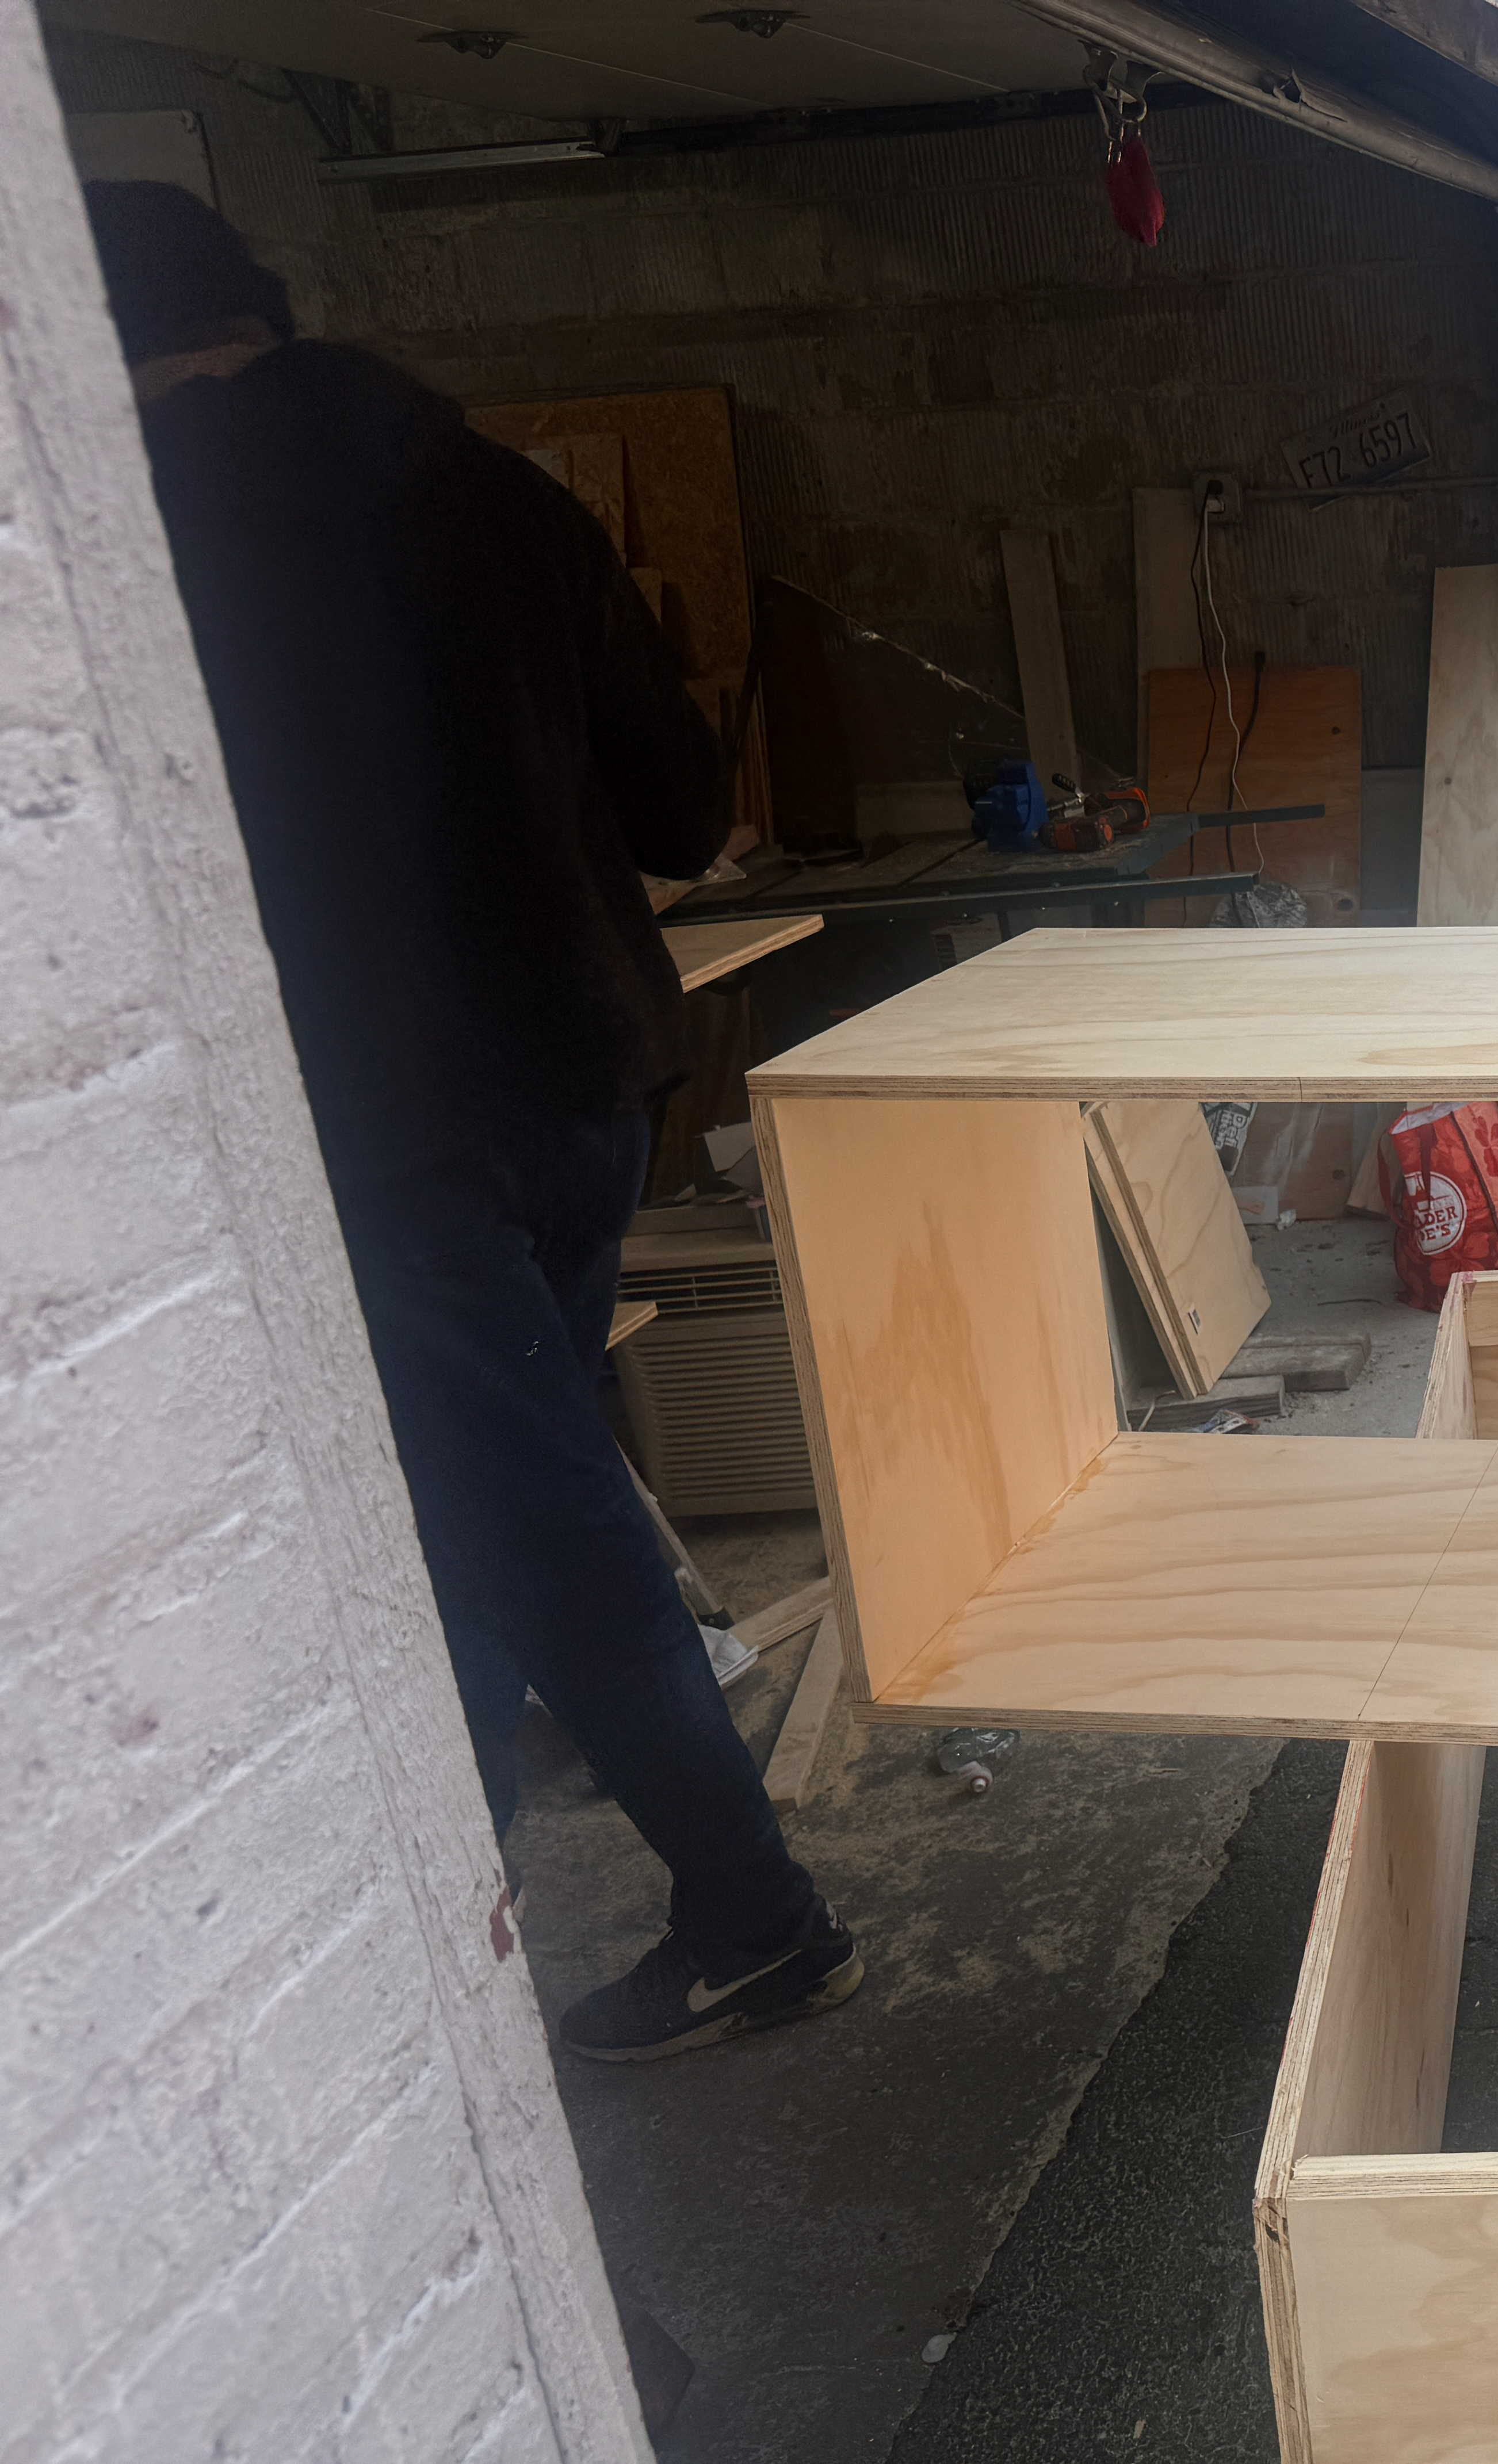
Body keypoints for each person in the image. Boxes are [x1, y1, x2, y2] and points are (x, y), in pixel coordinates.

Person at [85, 181, 861, 2062]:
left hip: (379, 1125)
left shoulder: (126, 546)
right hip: (588, 1086)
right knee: (487, 1499)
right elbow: (680, 815)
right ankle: (458, 1887)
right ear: (262, 311)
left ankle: (758, 1918)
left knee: (536, 1522)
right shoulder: (500, 494)